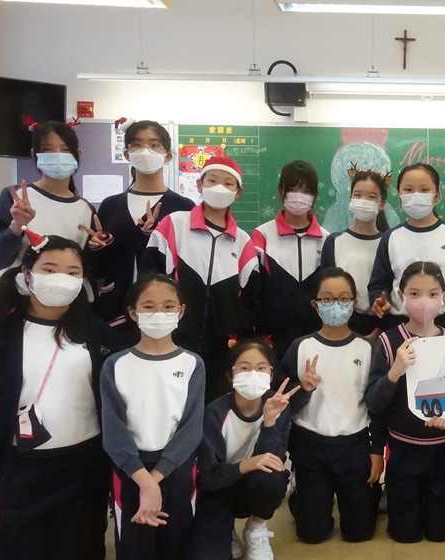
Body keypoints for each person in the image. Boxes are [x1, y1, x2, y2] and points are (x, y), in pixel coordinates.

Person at [0, 233, 117, 560]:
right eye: (49, 269)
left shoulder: (99, 335)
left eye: (73, 272)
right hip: (17, 475)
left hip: (84, 474)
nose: (62, 278)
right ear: (27, 275)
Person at [100, 274, 205, 560]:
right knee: (135, 547)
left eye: (168, 306)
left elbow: (191, 429)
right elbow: (114, 432)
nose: (159, 313)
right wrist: (145, 482)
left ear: (180, 311)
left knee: (176, 544)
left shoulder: (192, 363)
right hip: (131, 470)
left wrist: (156, 478)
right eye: (148, 306)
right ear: (133, 313)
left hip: (178, 468)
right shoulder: (116, 365)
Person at [142, 156, 260, 401]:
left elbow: (253, 298)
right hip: (171, 341)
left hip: (221, 351)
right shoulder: (173, 225)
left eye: (228, 183)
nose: (219, 188)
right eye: (212, 180)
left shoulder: (243, 241)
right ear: (199, 185)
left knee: (212, 408)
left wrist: (235, 330)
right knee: (170, 403)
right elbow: (147, 280)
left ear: (238, 193)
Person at [282, 268, 384, 543]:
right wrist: (303, 389)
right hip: (311, 447)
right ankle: (303, 497)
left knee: (359, 534)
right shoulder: (300, 347)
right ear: (316, 305)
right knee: (312, 534)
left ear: (354, 302)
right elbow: (284, 404)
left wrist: (377, 451)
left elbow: (378, 406)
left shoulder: (368, 348)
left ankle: (366, 497)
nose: (336, 305)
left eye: (344, 298)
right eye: (327, 299)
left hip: (355, 446)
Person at [364, 261, 445, 543]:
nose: (425, 301)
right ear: (400, 296)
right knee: (404, 533)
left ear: (444, 296)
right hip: (403, 448)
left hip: (443, 448)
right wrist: (395, 372)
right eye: (415, 294)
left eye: (433, 294)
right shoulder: (388, 341)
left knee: (441, 533)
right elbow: (373, 403)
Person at [86, 119, 195, 342]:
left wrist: (153, 236)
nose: (146, 150)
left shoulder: (183, 207)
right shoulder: (111, 205)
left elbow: (188, 265)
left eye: (155, 145)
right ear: (127, 154)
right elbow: (95, 269)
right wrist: (98, 247)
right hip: (116, 309)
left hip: (165, 313)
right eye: (137, 144)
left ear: (168, 156)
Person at [190, 339, 296, 560]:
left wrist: (269, 421)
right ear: (231, 376)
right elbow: (209, 477)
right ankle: (225, 530)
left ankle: (256, 528)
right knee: (207, 558)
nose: (253, 374)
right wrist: (247, 464)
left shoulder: (278, 405)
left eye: (261, 368)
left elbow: (273, 461)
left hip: (254, 486)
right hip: (218, 489)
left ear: (271, 374)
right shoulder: (214, 413)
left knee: (274, 476)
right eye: (244, 368)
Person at [367, 163, 445, 333]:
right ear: (399, 196)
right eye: (408, 190)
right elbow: (379, 283)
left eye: (424, 190)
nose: (416, 195)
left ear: (436, 195)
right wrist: (379, 300)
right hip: (400, 326)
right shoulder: (391, 237)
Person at [0, 121, 94, 271]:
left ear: (78, 155)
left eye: (66, 150)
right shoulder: (16, 198)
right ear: (34, 154)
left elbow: (90, 267)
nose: (58, 156)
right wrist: (16, 227)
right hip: (21, 286)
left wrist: (100, 247)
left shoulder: (85, 209)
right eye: (48, 150)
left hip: (68, 286)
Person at [252, 160, 329, 361]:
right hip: (270, 340)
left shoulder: (327, 239)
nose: (299, 197)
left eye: (306, 191)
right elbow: (252, 293)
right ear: (280, 191)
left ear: (315, 196)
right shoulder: (262, 236)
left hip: (315, 338)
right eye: (292, 189)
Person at [321, 169, 390, 337]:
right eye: (358, 195)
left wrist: (376, 333)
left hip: (379, 328)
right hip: (340, 326)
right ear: (350, 199)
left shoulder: (389, 243)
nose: (363, 201)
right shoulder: (334, 241)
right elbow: (324, 290)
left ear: (382, 204)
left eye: (371, 196)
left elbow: (391, 289)